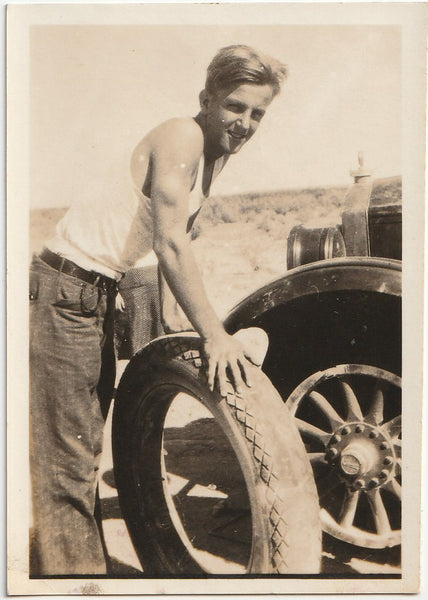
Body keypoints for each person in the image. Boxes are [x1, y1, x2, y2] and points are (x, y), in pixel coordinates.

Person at [29, 44, 287, 576]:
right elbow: (170, 245)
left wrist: (174, 325)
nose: (244, 123)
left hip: (97, 293)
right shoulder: (182, 136)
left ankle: (67, 568)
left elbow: (161, 246)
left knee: (79, 457)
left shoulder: (212, 157)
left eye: (257, 113)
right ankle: (75, 582)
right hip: (63, 292)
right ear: (206, 99)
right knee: (67, 466)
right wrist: (213, 334)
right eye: (234, 107)